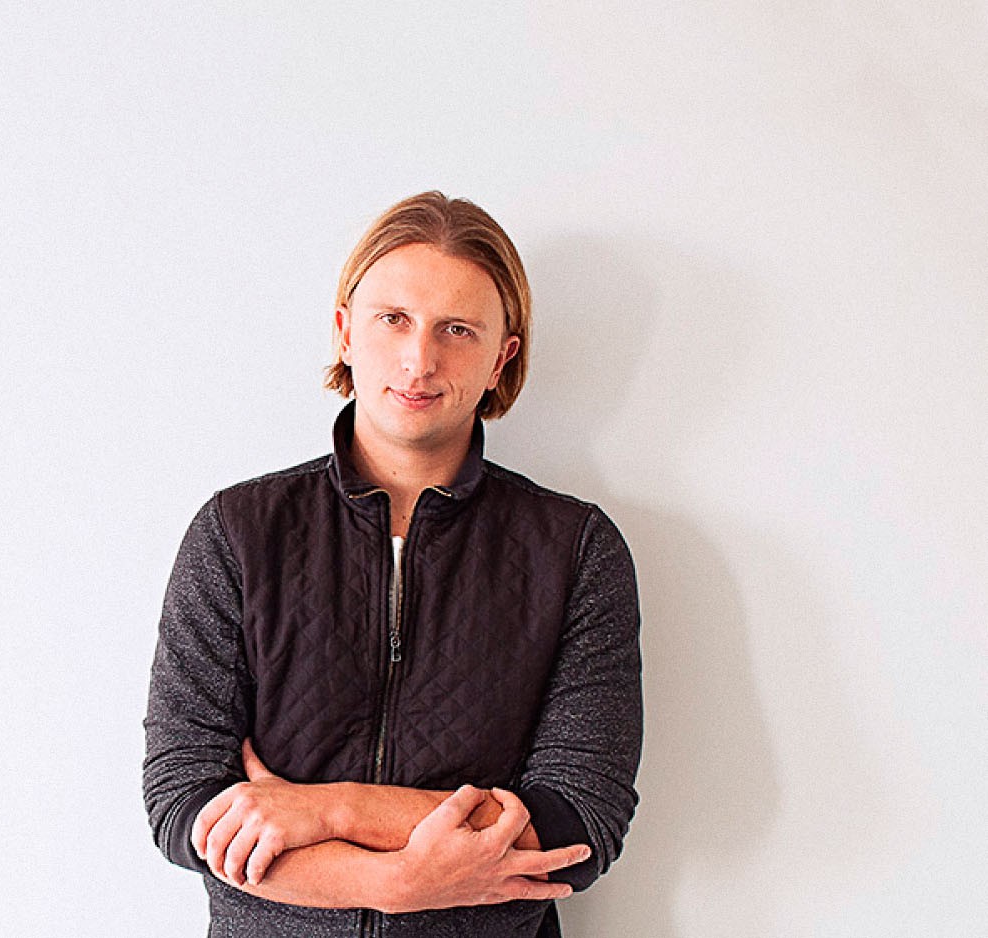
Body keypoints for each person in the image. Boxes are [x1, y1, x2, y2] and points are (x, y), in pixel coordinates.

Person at [141, 192, 642, 937]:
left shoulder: (574, 550)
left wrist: (330, 809)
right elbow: (184, 801)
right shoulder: (238, 531)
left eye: (457, 330)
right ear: (346, 331)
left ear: (501, 359)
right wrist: (393, 883)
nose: (419, 360)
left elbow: (576, 824)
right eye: (393, 319)